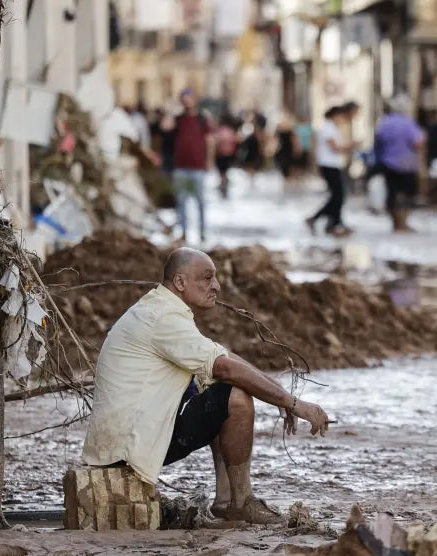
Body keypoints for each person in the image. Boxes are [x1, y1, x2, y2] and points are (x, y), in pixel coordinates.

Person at [83, 248, 332, 524]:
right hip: (127, 447)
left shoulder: (162, 309)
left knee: (217, 384)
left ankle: (226, 501)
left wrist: (283, 397)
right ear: (180, 283)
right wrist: (292, 404)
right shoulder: (163, 318)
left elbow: (224, 357)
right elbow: (225, 367)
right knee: (234, 396)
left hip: (124, 440)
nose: (217, 286)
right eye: (207, 278)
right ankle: (239, 501)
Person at [374, 94, 425, 233]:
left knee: (392, 193)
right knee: (407, 194)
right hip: (407, 164)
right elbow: (418, 142)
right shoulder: (408, 123)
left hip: (388, 163)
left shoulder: (385, 123)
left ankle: (395, 224)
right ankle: (404, 223)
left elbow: (378, 142)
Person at [306, 105, 357, 237]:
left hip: (334, 165)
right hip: (328, 165)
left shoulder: (333, 128)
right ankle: (317, 218)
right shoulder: (328, 128)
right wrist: (351, 146)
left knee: (338, 196)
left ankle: (333, 223)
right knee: (337, 196)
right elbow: (335, 147)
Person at [172, 89, 214, 242]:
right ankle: (183, 232)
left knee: (200, 201)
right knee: (181, 201)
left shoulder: (202, 119)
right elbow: (165, 127)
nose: (186, 101)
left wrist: (209, 160)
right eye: (184, 98)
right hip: (181, 166)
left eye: (189, 98)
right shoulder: (178, 119)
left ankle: (202, 232)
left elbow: (210, 140)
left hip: (198, 167)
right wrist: (170, 110)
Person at [215, 114, 239, 199]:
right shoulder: (230, 131)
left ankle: (223, 185)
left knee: (222, 173)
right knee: (224, 172)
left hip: (221, 155)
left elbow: (216, 142)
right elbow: (235, 142)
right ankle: (224, 185)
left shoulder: (219, 131)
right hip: (228, 155)